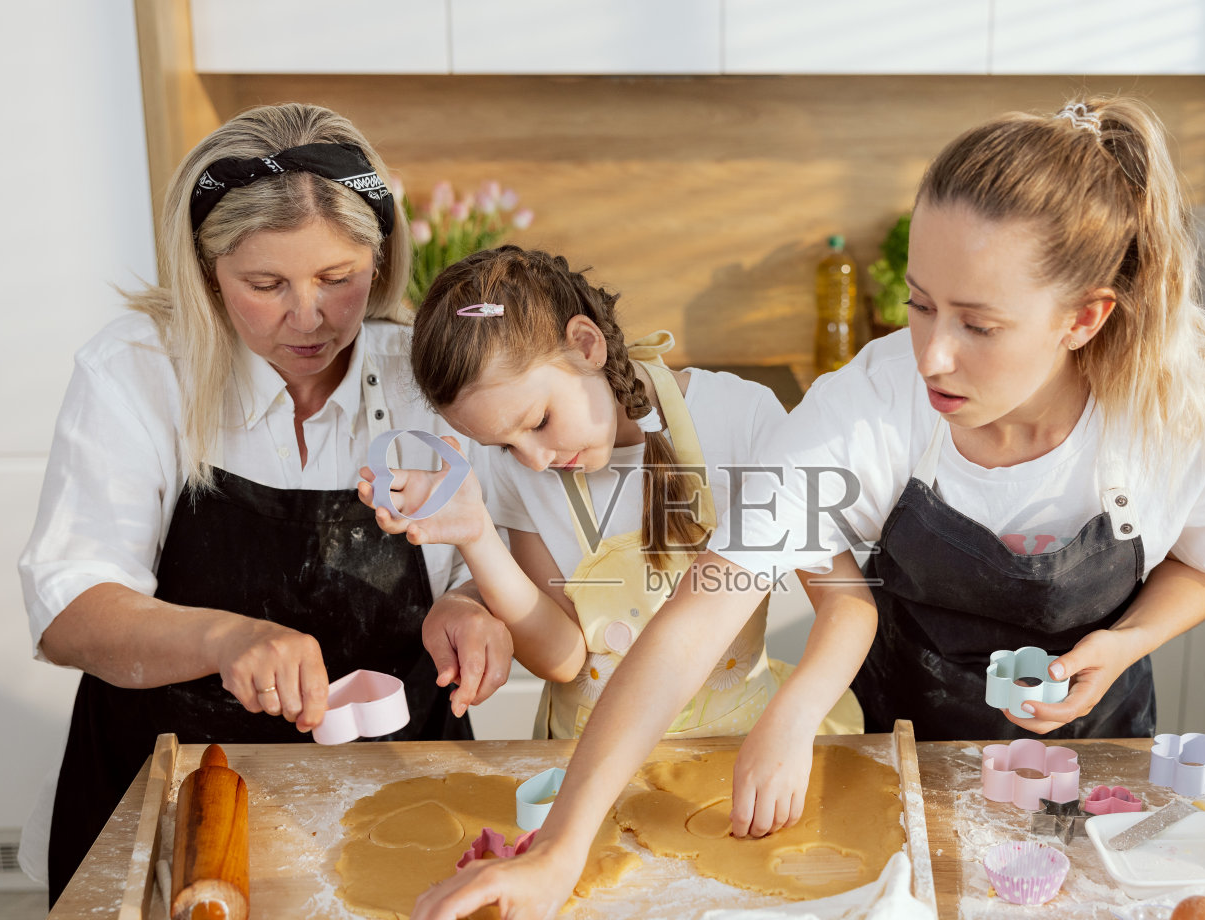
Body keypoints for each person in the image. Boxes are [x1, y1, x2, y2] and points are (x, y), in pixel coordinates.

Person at [397, 97, 1205, 920]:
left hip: (1091, 765)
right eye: (921, 304)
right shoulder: (871, 403)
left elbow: (1200, 566)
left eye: (979, 325)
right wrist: (558, 849)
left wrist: (1128, 639)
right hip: (892, 758)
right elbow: (693, 624)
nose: (932, 354)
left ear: (1083, 319)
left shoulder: (1192, 413)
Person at [20, 103, 512, 905]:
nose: (309, 316)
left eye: (337, 278)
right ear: (207, 267)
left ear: (381, 261)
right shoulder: (139, 372)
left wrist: (469, 606)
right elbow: (69, 609)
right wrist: (225, 637)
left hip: (398, 786)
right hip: (173, 789)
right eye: (266, 284)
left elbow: (487, 556)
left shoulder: (429, 373)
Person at [358, 246, 866, 833]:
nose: (536, 459)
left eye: (540, 421)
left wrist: (792, 721)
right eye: (504, 445)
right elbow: (564, 656)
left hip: (741, 760)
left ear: (586, 345)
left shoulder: (739, 416)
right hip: (591, 782)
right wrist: (476, 535)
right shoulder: (518, 470)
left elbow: (847, 603)